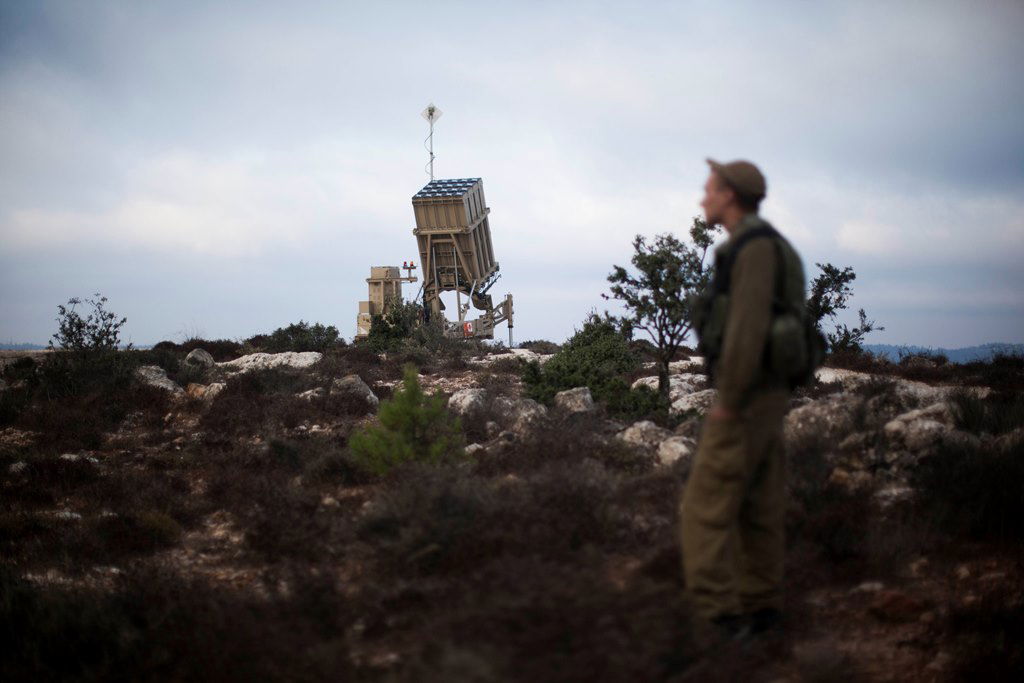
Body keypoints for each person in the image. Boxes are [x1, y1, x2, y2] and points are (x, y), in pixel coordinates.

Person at [680, 158, 806, 643]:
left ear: (730, 195)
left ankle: (719, 619)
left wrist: (728, 399)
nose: (702, 199)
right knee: (758, 503)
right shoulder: (770, 244)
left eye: (709, 190)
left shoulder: (752, 250)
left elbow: (747, 328)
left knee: (703, 508)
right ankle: (762, 609)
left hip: (748, 395)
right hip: (769, 392)